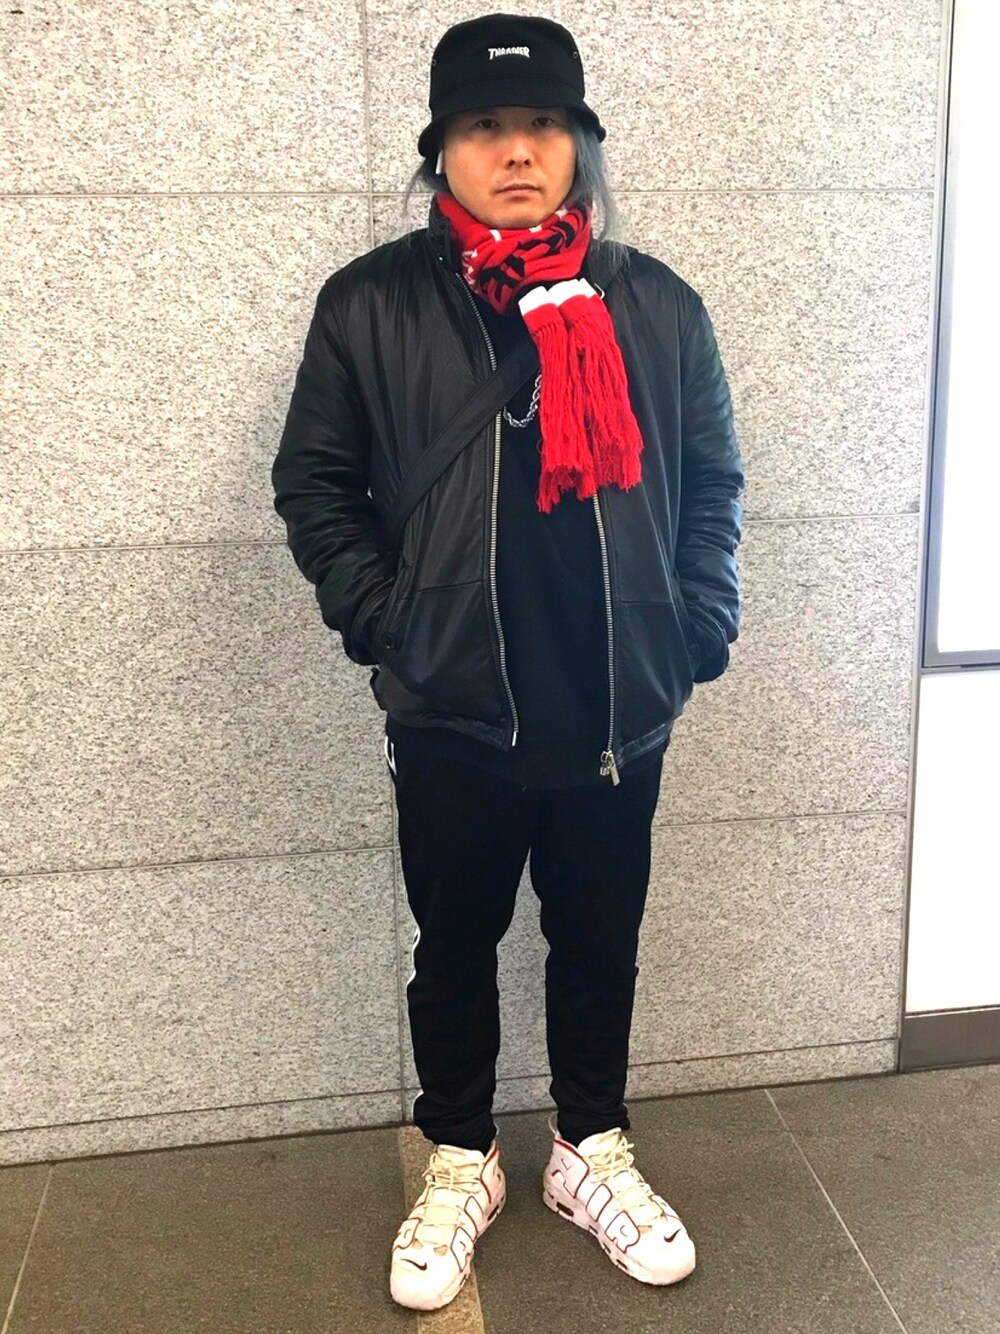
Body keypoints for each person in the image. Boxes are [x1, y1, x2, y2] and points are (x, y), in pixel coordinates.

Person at [271, 11, 745, 1313]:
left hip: (615, 703)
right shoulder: (371, 306)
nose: (517, 151)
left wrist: (697, 622)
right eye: (485, 127)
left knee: (600, 938)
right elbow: (316, 484)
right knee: (455, 943)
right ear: (443, 154)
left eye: (542, 124)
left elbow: (712, 481)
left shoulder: (656, 306)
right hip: (454, 707)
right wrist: (393, 624)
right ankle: (463, 1153)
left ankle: (590, 1150)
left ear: (580, 146)